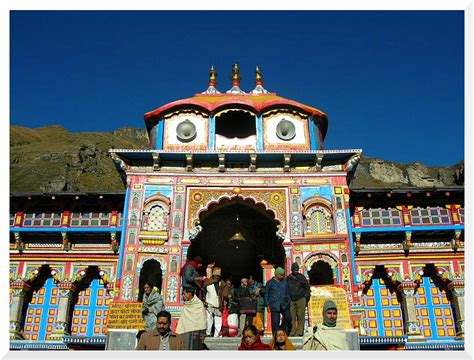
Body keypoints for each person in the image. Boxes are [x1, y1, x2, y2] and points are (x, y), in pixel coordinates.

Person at [265, 267, 292, 335]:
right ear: (277, 275)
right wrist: (267, 305)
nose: (282, 276)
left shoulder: (285, 282)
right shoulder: (270, 283)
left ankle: (281, 329)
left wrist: (288, 301)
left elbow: (288, 293)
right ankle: (275, 336)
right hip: (274, 305)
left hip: (284, 304)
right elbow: (266, 294)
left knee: (288, 318)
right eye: (281, 275)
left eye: (283, 275)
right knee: (275, 322)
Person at [287, 262, 311, 336]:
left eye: (297, 269)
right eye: (294, 269)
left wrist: (306, 297)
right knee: (292, 316)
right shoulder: (288, 278)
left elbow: (307, 287)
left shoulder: (301, 277)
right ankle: (292, 331)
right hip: (291, 299)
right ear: (292, 270)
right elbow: (285, 288)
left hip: (301, 298)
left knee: (301, 316)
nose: (296, 271)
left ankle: (300, 332)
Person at [203, 266, 224, 337]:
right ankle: (208, 333)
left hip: (218, 303)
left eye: (218, 276)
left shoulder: (221, 283)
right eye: (216, 275)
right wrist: (204, 301)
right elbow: (204, 291)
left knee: (218, 319)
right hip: (209, 303)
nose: (217, 277)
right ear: (213, 275)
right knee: (209, 318)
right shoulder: (207, 282)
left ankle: (217, 334)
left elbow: (224, 292)